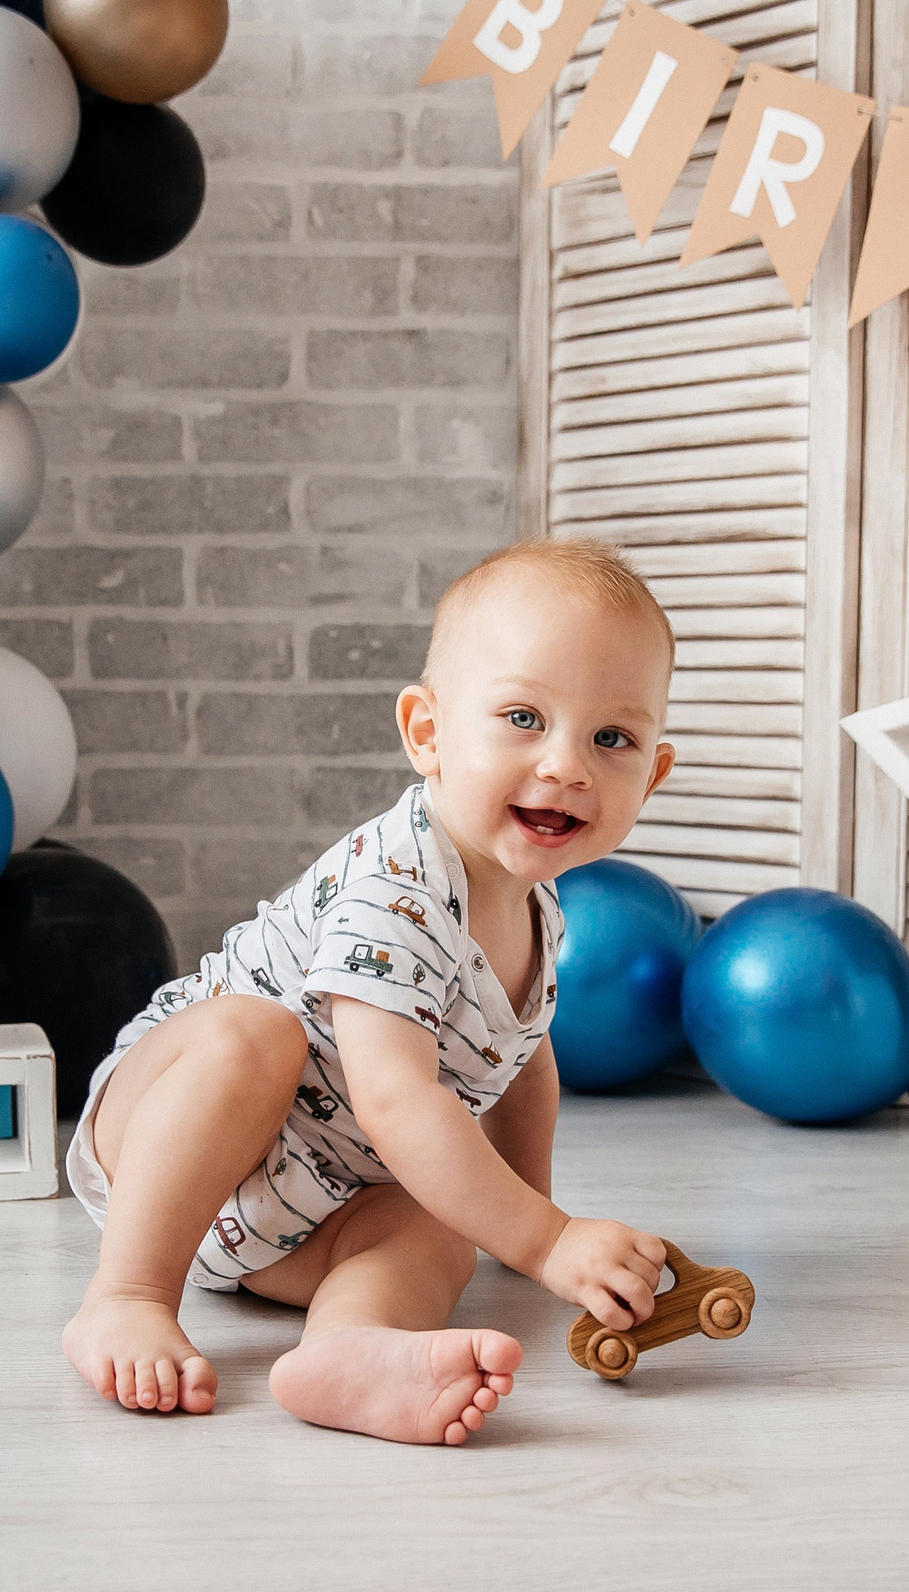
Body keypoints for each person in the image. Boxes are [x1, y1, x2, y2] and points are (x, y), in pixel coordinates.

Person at [60, 536, 678, 1445]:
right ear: (428, 733)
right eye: (522, 717)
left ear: (653, 774)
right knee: (253, 1035)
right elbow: (394, 1098)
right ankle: (125, 1294)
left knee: (434, 1232)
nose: (567, 765)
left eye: (612, 737)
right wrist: (547, 1238)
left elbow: (523, 1059)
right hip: (177, 1142)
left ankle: (349, 1349)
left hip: (301, 1206)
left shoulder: (538, 907)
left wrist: (519, 1230)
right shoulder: (399, 887)